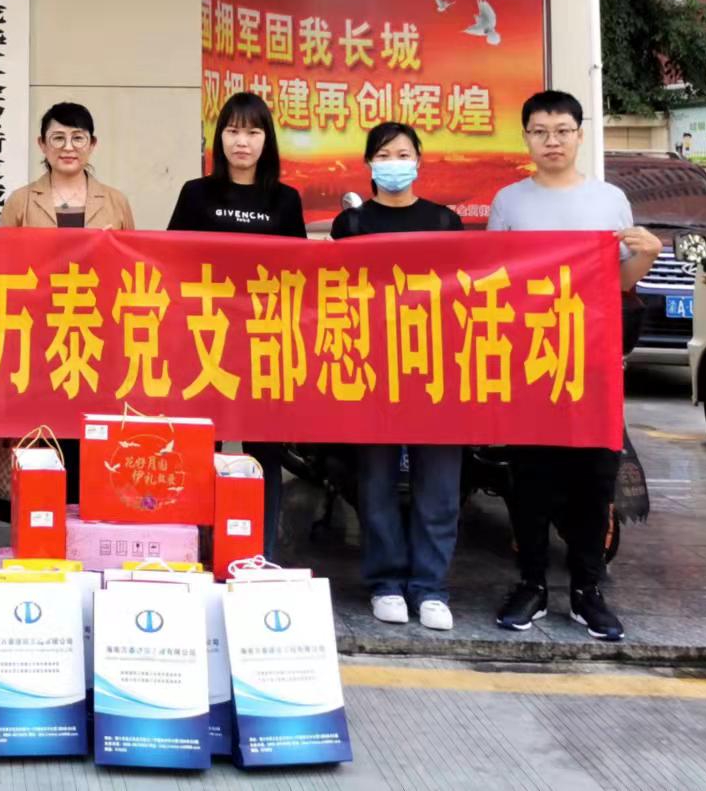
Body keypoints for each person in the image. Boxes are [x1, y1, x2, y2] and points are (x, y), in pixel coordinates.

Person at [488, 90, 660, 642]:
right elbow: (496, 282)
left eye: (562, 130)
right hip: (531, 363)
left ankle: (587, 590)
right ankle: (531, 583)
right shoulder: (509, 202)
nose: (552, 141)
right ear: (526, 138)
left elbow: (620, 282)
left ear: (580, 135)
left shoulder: (609, 200)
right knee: (531, 479)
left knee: (593, 480)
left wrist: (647, 254)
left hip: (592, 365)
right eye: (540, 131)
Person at [0, 103, 135, 523]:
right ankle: (34, 531)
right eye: (58, 137)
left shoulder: (115, 202)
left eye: (78, 138)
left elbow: (133, 270)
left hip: (96, 341)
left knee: (88, 436)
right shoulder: (22, 201)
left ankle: (85, 527)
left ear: (92, 145)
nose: (68, 147)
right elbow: (1, 269)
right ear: (42, 144)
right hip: (36, 341)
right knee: (37, 438)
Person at [330, 122, 465, 631]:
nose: (394, 163)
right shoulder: (351, 224)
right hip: (372, 368)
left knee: (439, 484)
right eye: (384, 155)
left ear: (419, 161)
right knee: (376, 482)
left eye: (403, 154)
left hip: (436, 369)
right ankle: (385, 582)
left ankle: (431, 587)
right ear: (369, 164)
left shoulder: (445, 221)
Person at [166, 91, 306, 549]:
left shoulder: (285, 200)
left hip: (262, 343)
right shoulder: (196, 193)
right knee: (198, 446)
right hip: (203, 340)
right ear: (219, 137)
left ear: (267, 140)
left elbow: (299, 273)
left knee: (264, 451)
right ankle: (192, 549)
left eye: (252, 131)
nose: (241, 141)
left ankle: (260, 551)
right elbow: (169, 259)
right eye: (232, 130)